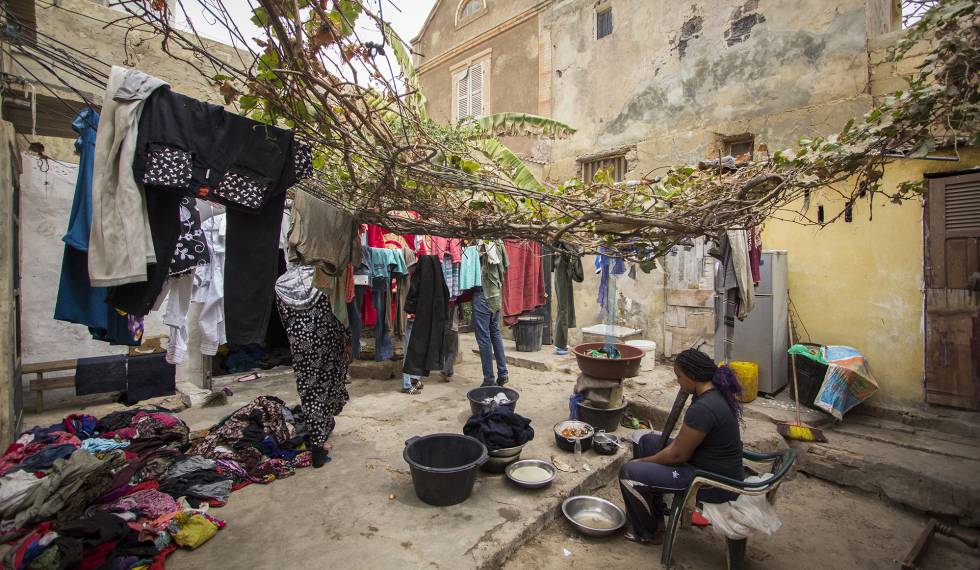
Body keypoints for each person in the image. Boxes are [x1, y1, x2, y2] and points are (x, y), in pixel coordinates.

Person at [618, 348, 743, 544]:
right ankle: (656, 513)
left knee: (629, 472)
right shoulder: (711, 393)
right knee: (646, 442)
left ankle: (649, 533)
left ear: (692, 376)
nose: (678, 382)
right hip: (706, 462)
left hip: (711, 482)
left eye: (679, 377)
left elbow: (677, 455)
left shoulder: (704, 408)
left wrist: (643, 462)